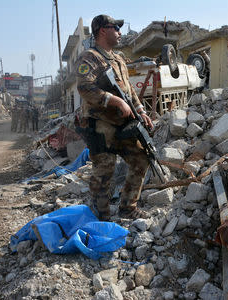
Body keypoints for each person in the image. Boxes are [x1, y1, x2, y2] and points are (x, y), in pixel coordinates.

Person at [75, 14, 153, 220]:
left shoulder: (118, 59)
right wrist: (114, 101)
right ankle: (100, 217)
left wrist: (141, 112)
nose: (120, 32)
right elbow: (84, 87)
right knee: (105, 170)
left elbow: (130, 92)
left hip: (123, 124)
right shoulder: (89, 57)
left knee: (141, 158)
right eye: (115, 28)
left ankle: (128, 208)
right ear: (102, 30)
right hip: (101, 125)